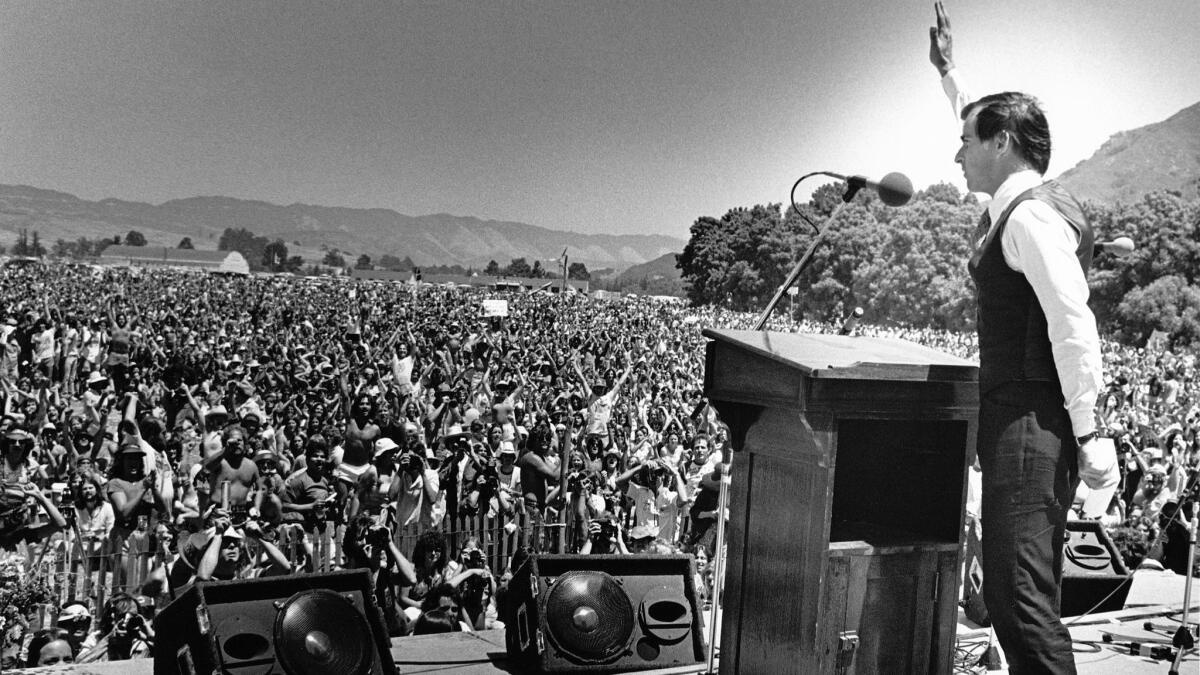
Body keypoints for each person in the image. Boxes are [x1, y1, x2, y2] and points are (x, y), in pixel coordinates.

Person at [928, 5, 1118, 672]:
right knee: (1020, 592)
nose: (956, 153)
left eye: (968, 141)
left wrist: (1092, 433)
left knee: (1018, 600)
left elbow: (1073, 321)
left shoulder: (1029, 220)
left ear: (1001, 143)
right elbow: (977, 119)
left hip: (1033, 424)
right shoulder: (1016, 205)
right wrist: (950, 74)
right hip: (1025, 420)